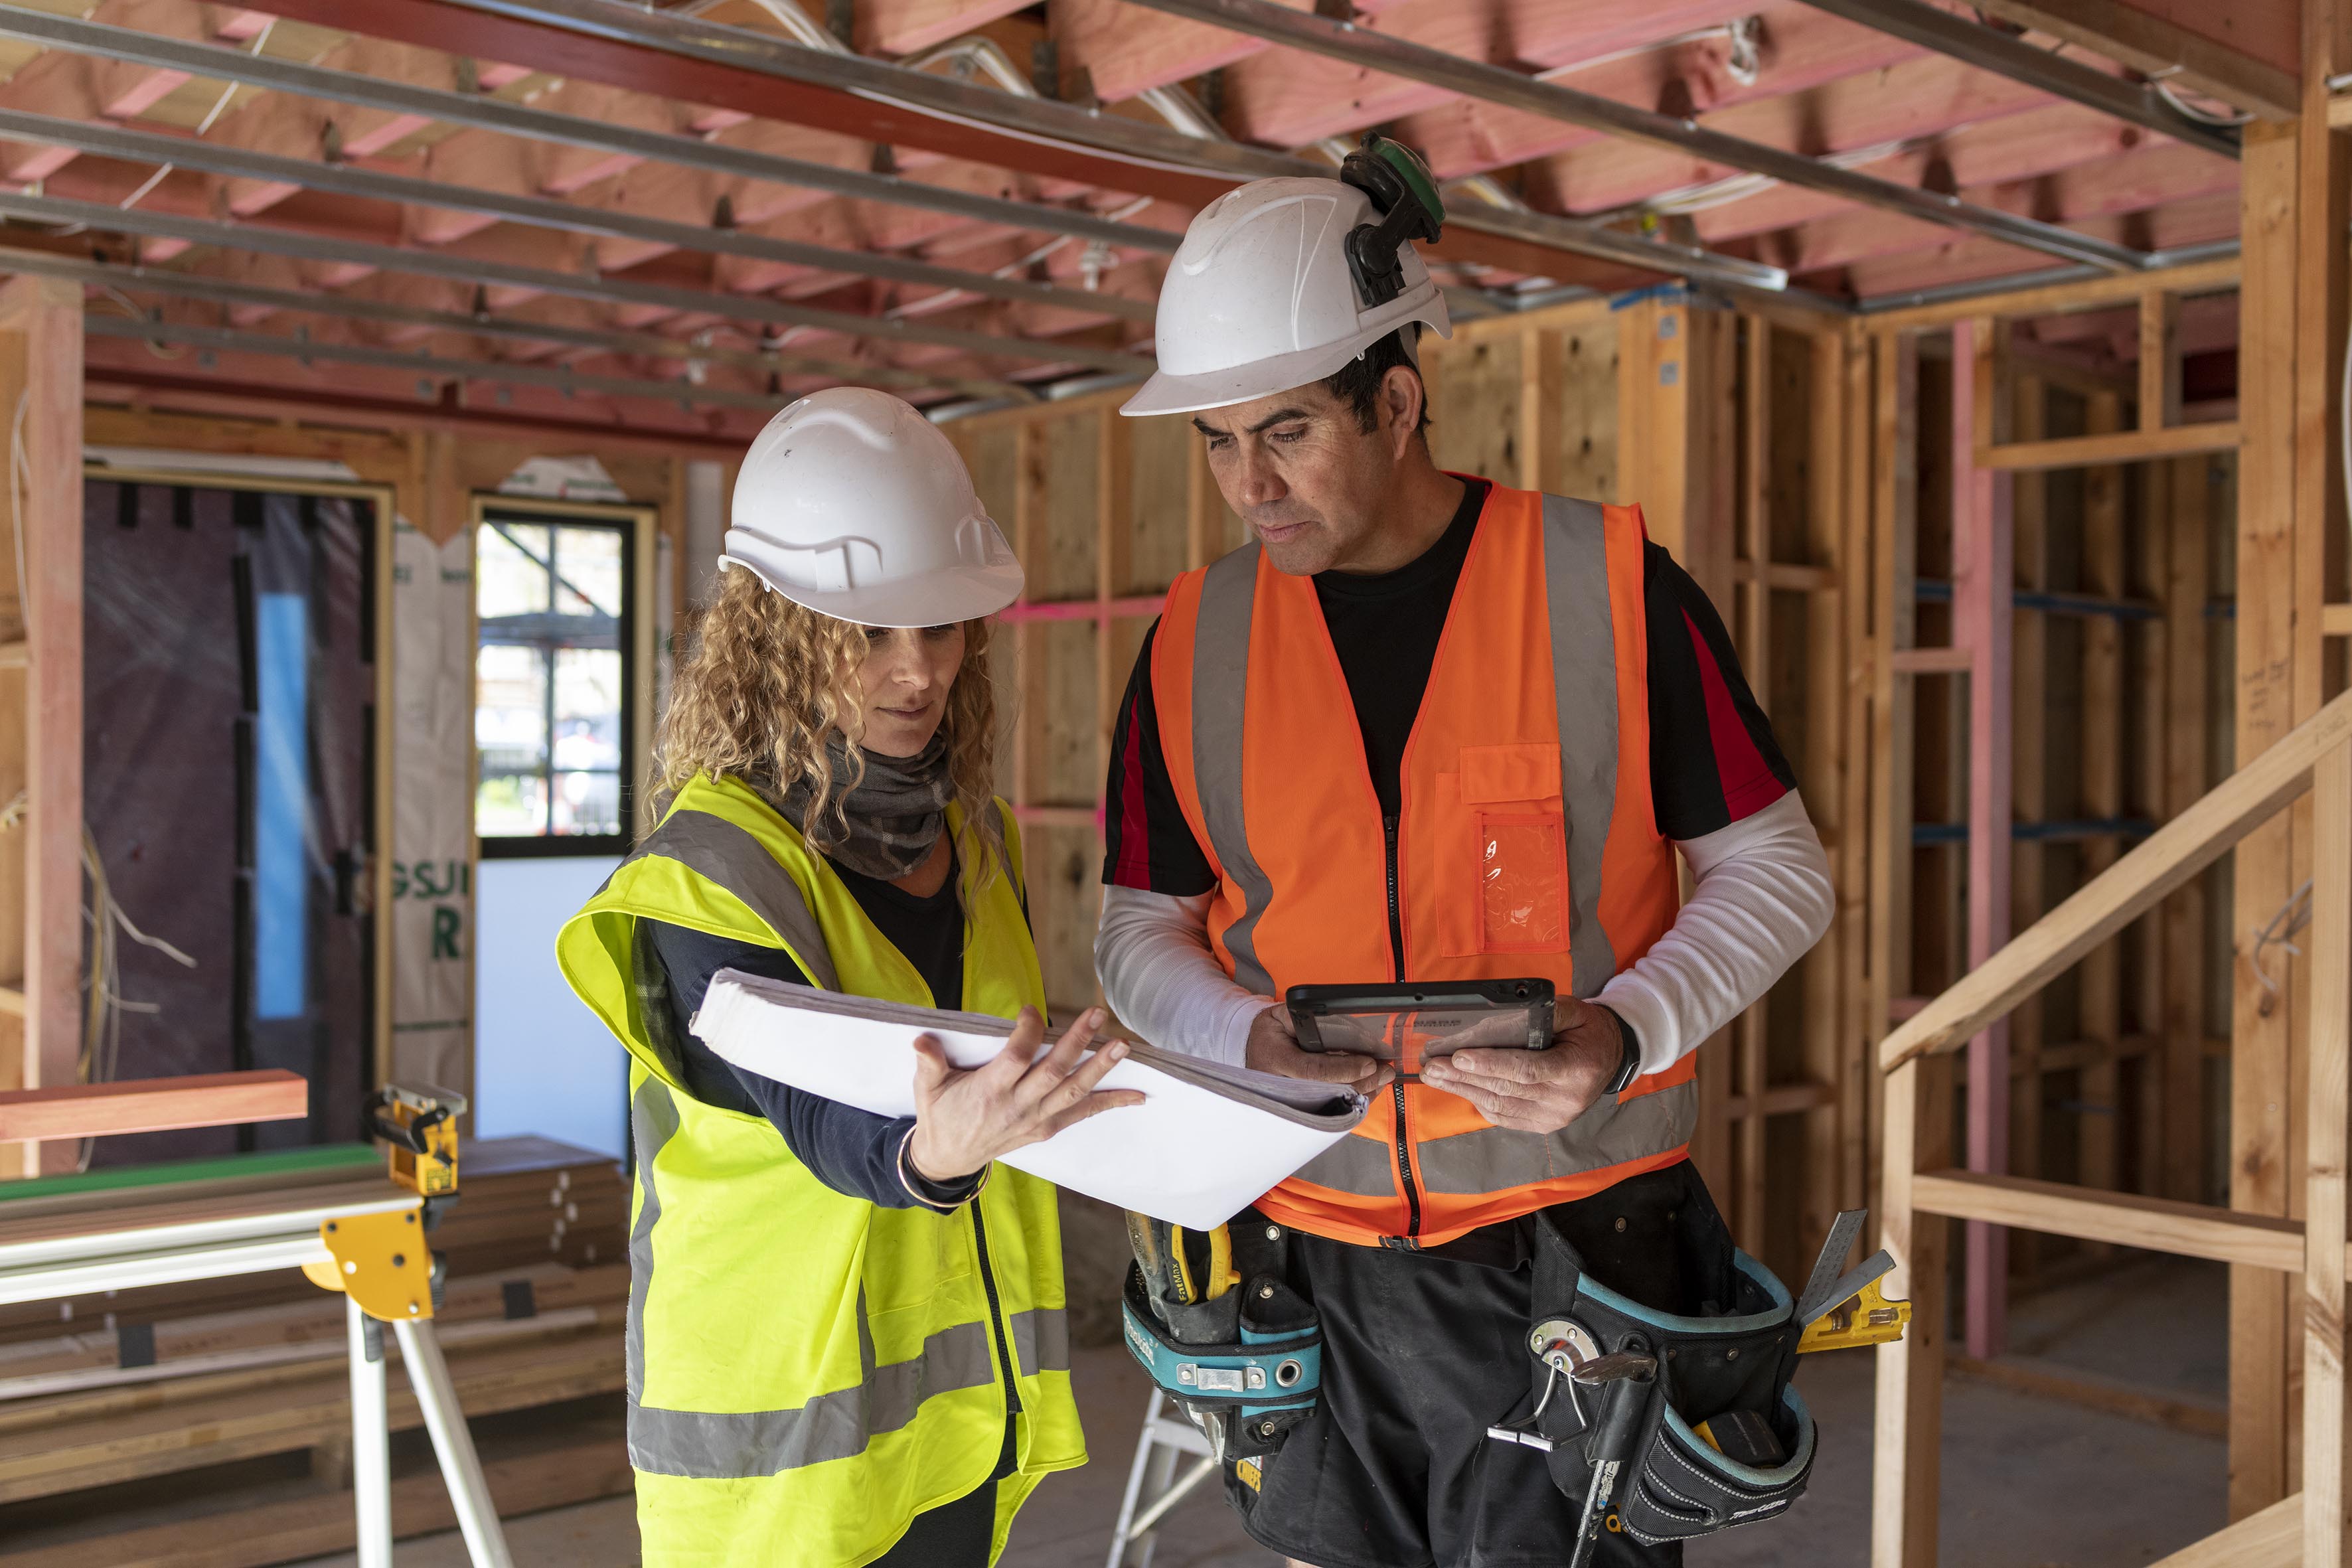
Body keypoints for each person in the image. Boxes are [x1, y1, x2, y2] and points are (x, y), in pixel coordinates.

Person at [1096, 145, 1837, 1567]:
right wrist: (1242, 1032)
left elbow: (1777, 869)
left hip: (1573, 1257)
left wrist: (1621, 1032)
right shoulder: (1193, 639)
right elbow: (1138, 927)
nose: (1246, 483)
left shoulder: (1605, 588)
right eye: (1213, 441)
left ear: (1395, 398)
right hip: (1302, 1263)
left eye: (1286, 431)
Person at [557, 388, 1140, 1568]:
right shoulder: (708, 875)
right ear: (779, 633)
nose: (918, 670)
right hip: (777, 1453)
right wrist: (934, 1153)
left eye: (941, 624)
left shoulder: (981, 843)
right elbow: (818, 1113)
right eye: (870, 634)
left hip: (952, 1433)